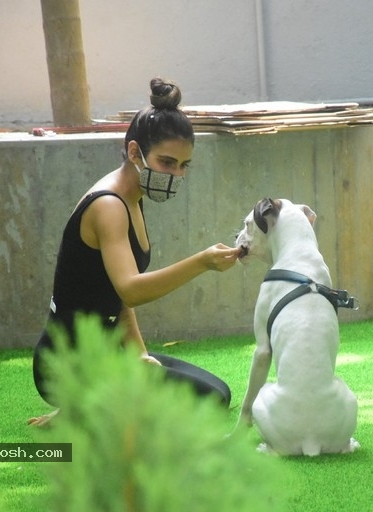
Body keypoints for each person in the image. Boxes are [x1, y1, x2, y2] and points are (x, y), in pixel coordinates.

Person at [29, 78, 240, 426]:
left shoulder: (133, 198)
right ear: (133, 152)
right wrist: (202, 263)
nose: (175, 174)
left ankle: (94, 404)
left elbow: (117, 299)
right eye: (167, 162)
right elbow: (131, 289)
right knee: (211, 402)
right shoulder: (109, 206)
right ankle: (83, 406)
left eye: (184, 165)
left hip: (105, 352)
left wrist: (139, 352)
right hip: (66, 362)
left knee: (217, 389)